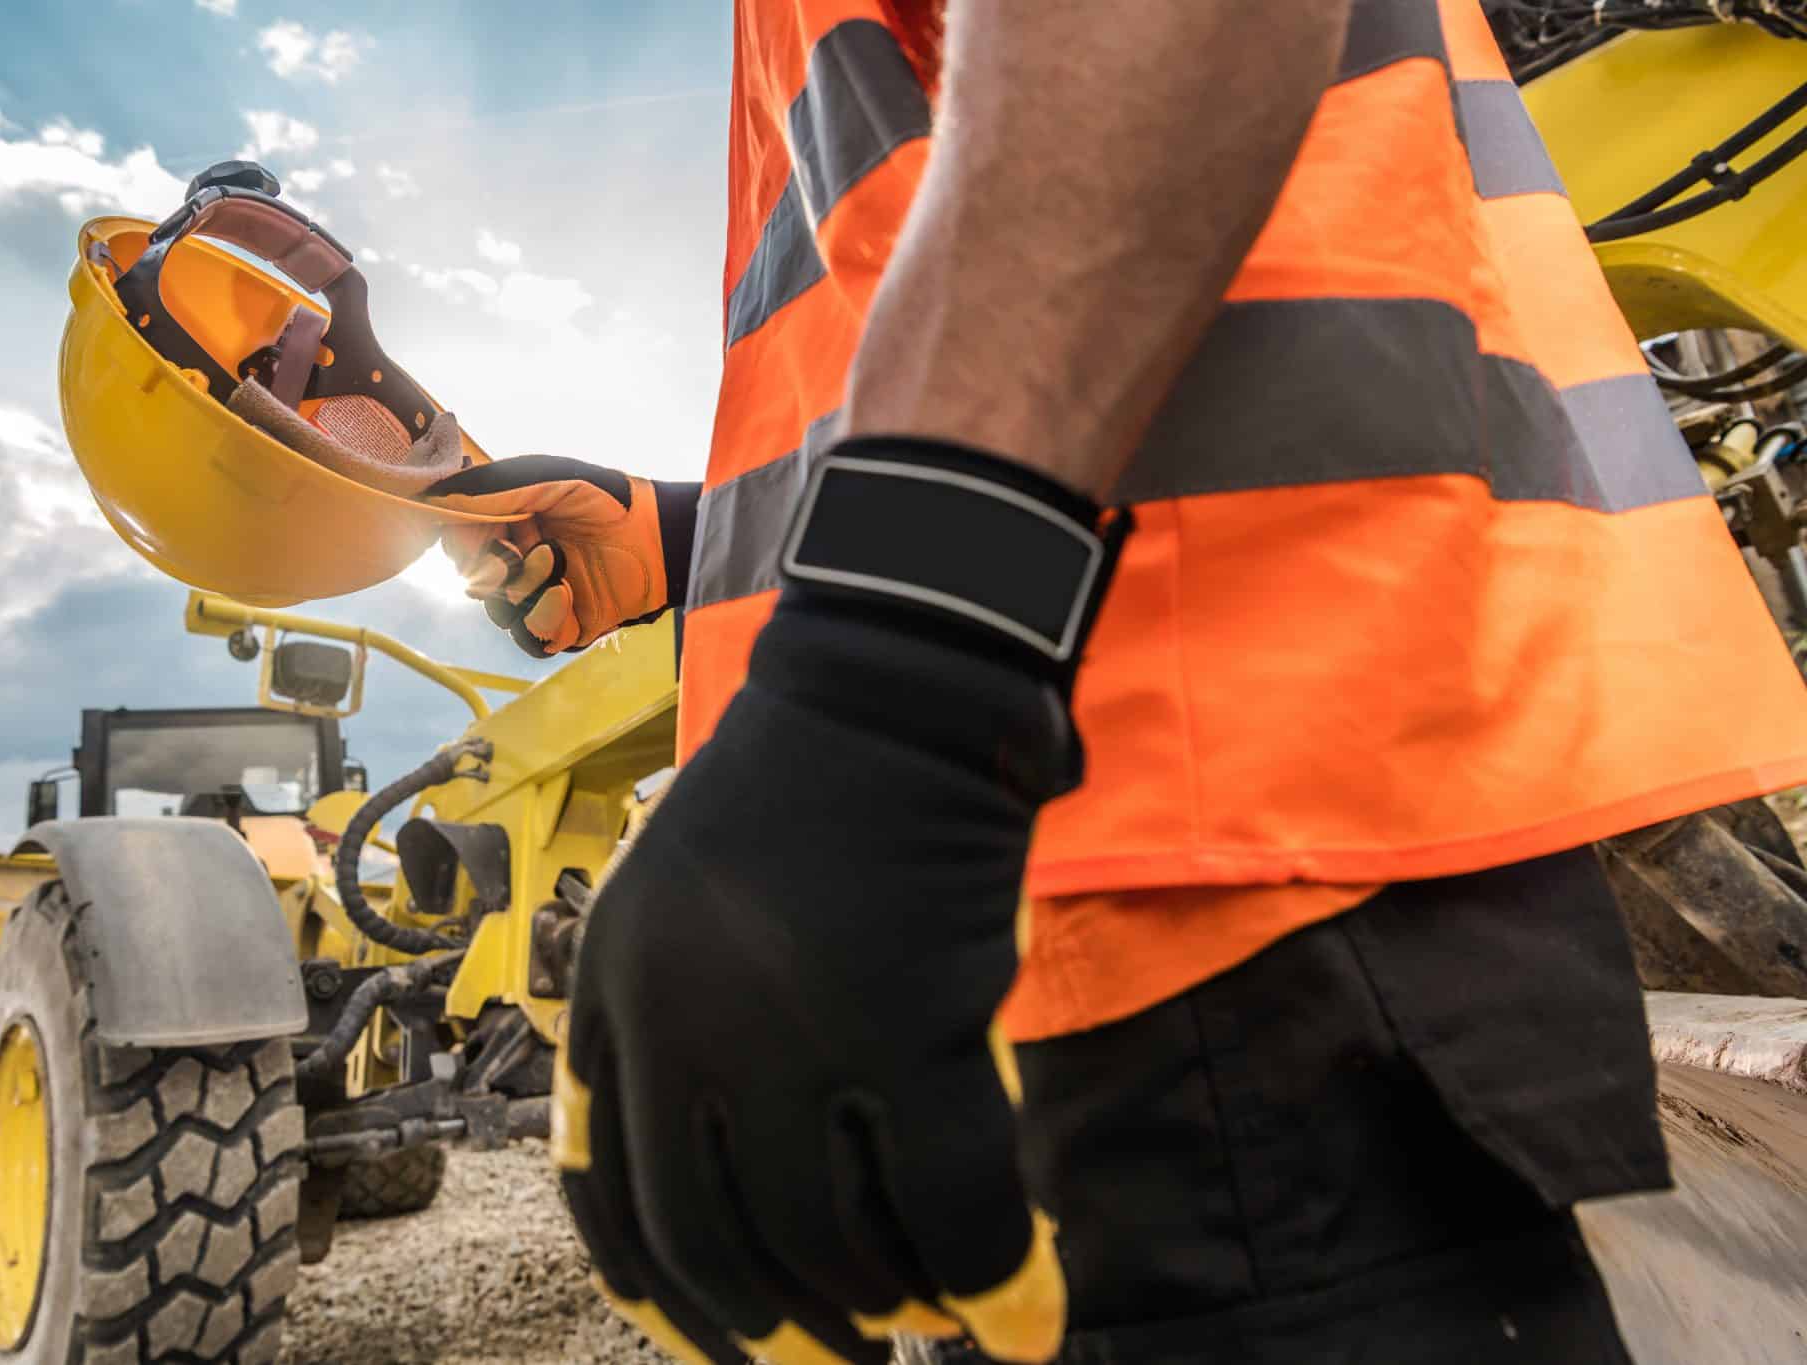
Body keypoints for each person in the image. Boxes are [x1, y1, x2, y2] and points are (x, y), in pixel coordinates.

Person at [421, 2, 1807, 1362]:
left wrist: (885, 670)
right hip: (1155, 890)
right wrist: (681, 535)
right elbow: (952, 278)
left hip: (1224, 902)